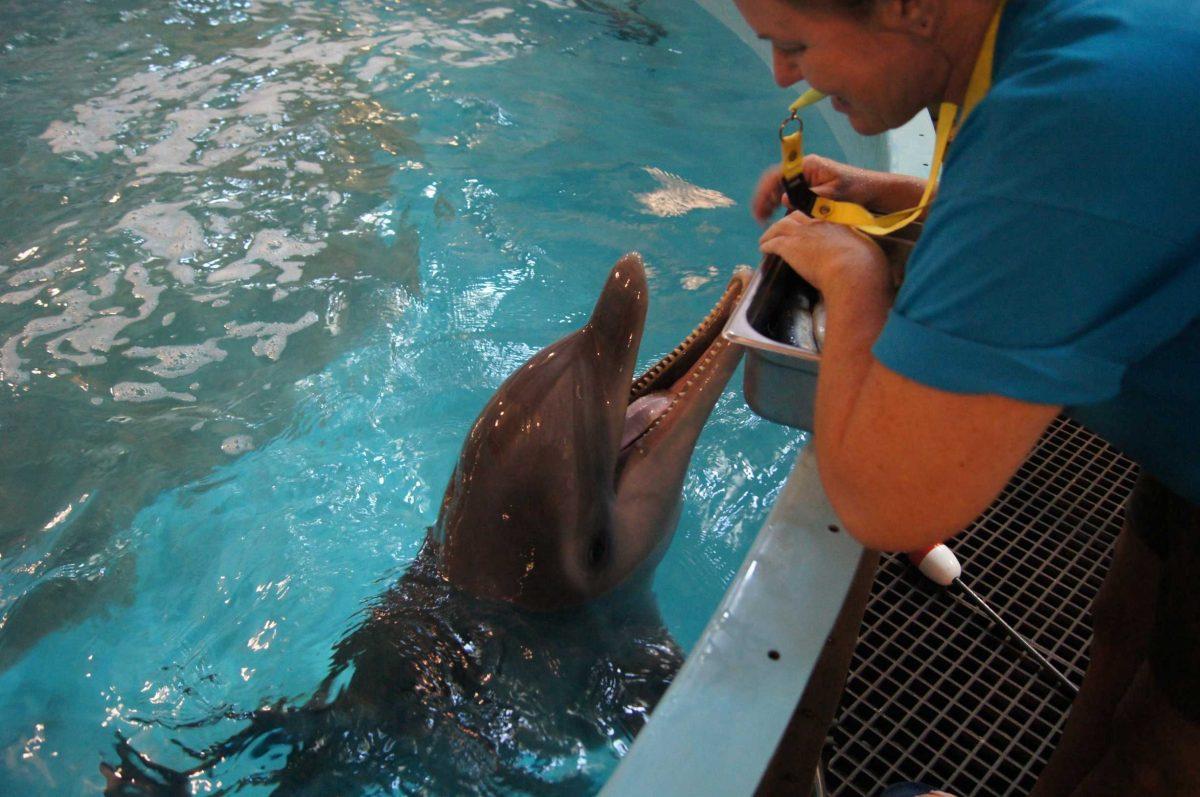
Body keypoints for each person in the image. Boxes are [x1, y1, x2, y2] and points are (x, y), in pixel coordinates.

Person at [731, 0, 1200, 794]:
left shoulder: (1075, 109)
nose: (781, 74)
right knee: (1126, 623)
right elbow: (1089, 212)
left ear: (912, 9)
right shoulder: (1056, 38)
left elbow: (889, 500)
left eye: (794, 42)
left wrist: (854, 277)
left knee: (1165, 750)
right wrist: (903, 203)